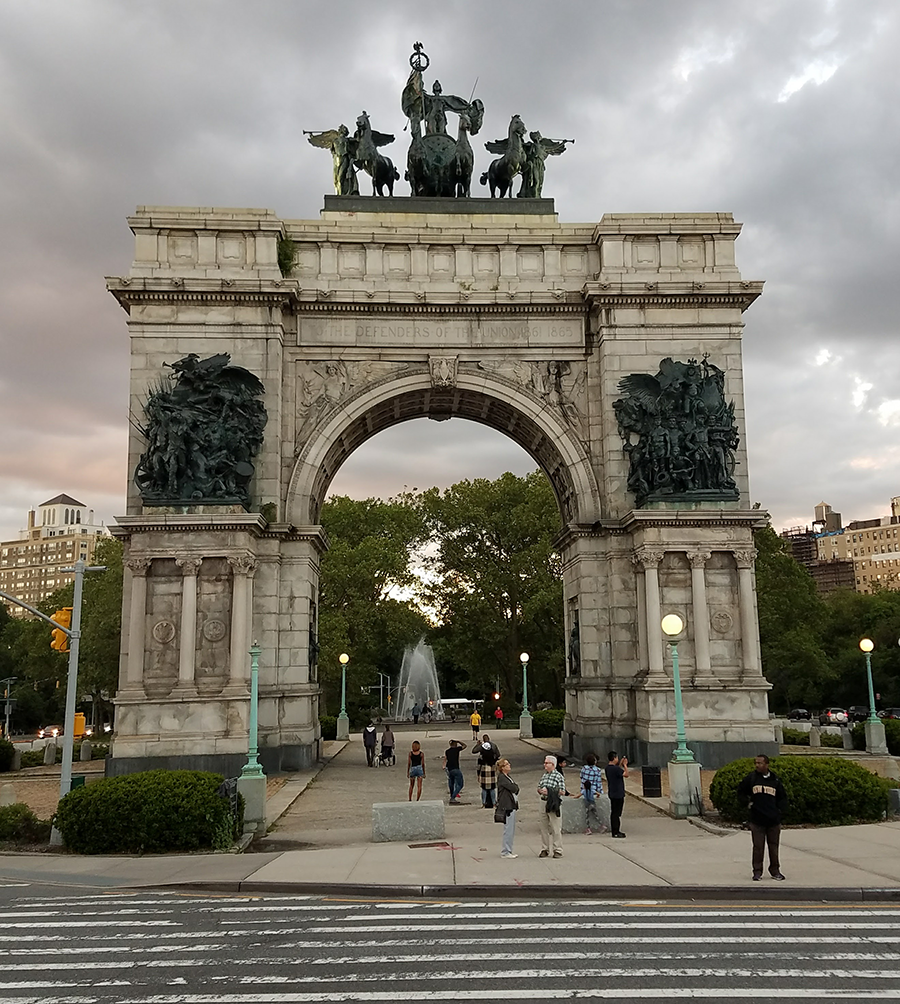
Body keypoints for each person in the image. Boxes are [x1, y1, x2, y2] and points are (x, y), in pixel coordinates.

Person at [737, 754, 788, 881]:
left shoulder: (775, 780)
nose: (757, 765)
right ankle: (757, 872)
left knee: (774, 847)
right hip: (757, 820)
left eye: (760, 763)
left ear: (767, 765)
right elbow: (741, 791)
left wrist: (780, 812)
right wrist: (747, 803)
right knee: (758, 847)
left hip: (773, 821)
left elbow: (782, 798)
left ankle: (775, 871)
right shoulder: (752, 778)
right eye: (756, 763)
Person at [537, 754, 566, 858]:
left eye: (546, 763)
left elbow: (562, 791)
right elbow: (539, 787)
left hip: (553, 802)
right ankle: (545, 848)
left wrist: (549, 791)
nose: (544, 765)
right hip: (543, 801)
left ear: (552, 764)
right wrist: (540, 790)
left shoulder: (558, 776)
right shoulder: (544, 775)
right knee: (543, 827)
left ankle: (557, 849)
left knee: (555, 827)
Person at [496, 758, 520, 858]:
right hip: (507, 806)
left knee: (511, 829)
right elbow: (514, 788)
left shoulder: (507, 777)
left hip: (511, 804)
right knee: (508, 829)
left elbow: (515, 788)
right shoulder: (502, 778)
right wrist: (515, 787)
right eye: (506, 764)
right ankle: (506, 851)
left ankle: (508, 849)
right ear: (502, 768)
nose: (509, 765)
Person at [580, 752, 607, 834]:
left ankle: (589, 828)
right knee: (594, 812)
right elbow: (599, 782)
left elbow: (581, 777)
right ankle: (601, 825)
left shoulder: (584, 768)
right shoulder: (597, 770)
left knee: (587, 813)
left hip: (585, 790)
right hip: (594, 790)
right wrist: (600, 792)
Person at [605, 750, 629, 838]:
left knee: (614, 812)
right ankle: (616, 831)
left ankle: (615, 830)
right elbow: (626, 774)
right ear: (614, 758)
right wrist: (625, 765)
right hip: (618, 793)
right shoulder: (616, 769)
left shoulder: (608, 768)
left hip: (612, 792)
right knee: (616, 813)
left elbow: (618, 771)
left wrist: (620, 765)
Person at [473, 734, 500, 808]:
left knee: (484, 788)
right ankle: (494, 803)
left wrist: (478, 744)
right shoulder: (493, 745)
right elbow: (498, 754)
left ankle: (483, 803)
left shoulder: (482, 746)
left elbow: (474, 751)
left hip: (484, 767)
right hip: (492, 767)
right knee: (492, 788)